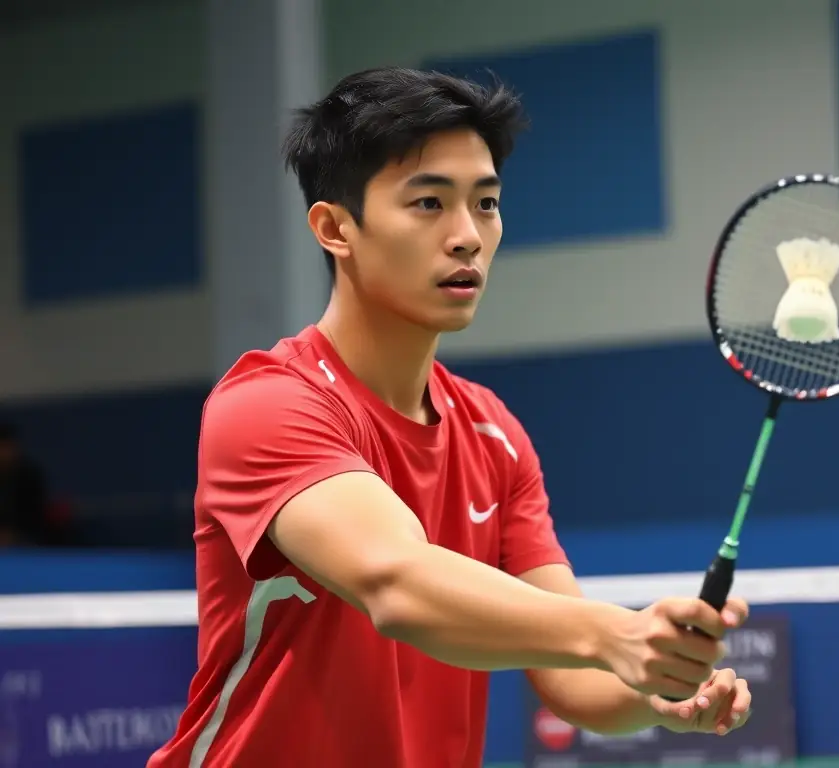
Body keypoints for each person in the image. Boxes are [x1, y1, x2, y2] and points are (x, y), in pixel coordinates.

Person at [148, 67, 752, 768]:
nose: (468, 236)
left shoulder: (494, 434)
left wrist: (656, 689)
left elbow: (572, 680)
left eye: (487, 204)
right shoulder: (267, 404)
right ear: (335, 228)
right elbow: (398, 585)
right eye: (429, 203)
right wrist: (614, 633)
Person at [0, 422, 50, 548]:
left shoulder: (29, 476)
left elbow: (36, 515)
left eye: (7, 447)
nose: (4, 453)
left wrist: (13, 534)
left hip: (24, 540)